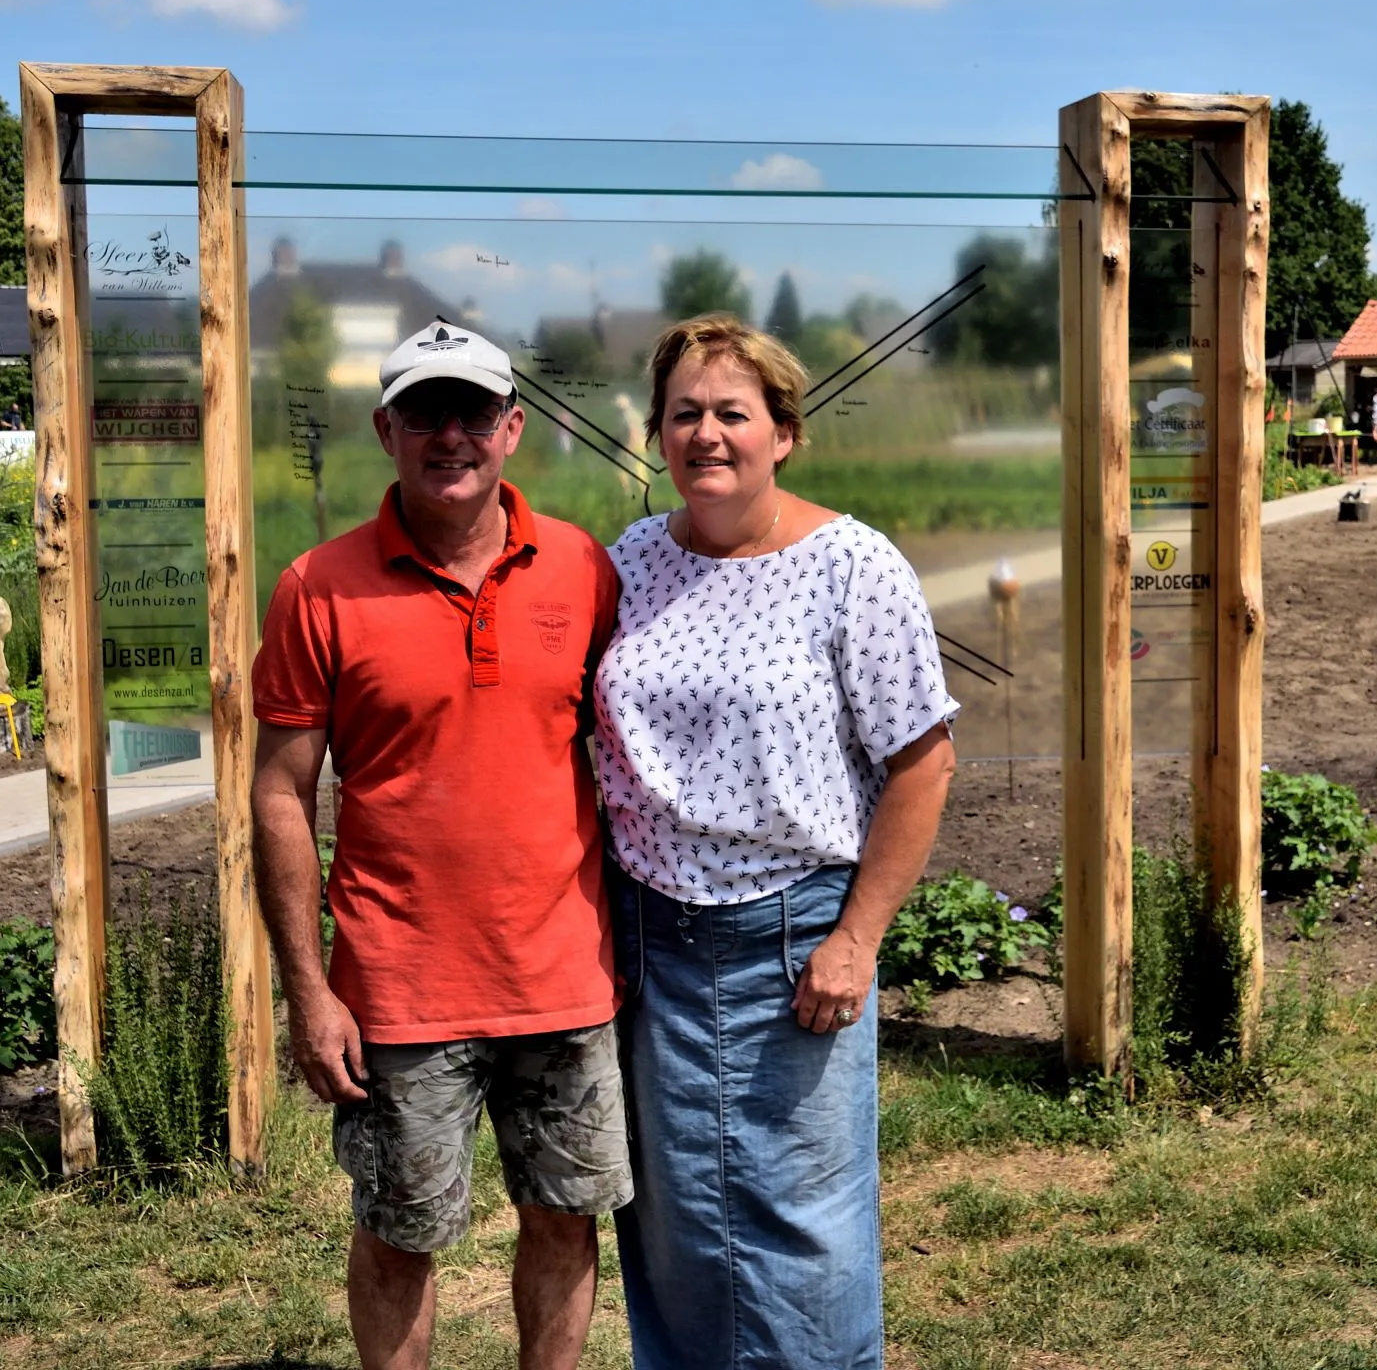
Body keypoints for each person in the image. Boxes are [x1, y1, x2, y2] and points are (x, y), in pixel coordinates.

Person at [250, 323, 632, 1370]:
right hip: (400, 990)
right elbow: (280, 794)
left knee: (565, 1218)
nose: (449, 434)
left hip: (562, 977)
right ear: (387, 430)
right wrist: (309, 991)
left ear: (513, 428)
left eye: (473, 411)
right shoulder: (317, 587)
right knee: (399, 1233)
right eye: (424, 412)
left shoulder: (581, 569)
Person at [592, 314, 958, 1370]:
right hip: (650, 941)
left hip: (794, 942)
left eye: (732, 413)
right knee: (674, 1222)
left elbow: (922, 761)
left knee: (805, 1223)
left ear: (784, 433)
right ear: (657, 433)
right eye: (684, 414)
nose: (706, 434)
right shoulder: (629, 565)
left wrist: (857, 940)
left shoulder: (852, 567)